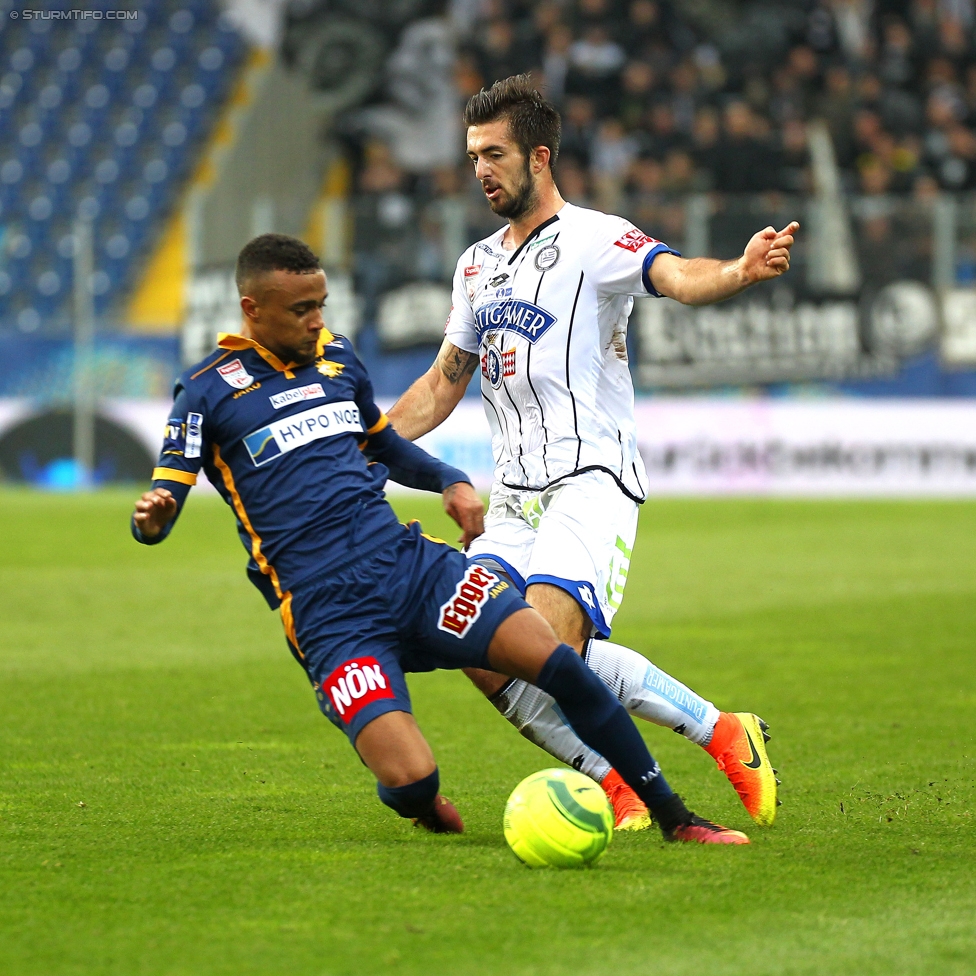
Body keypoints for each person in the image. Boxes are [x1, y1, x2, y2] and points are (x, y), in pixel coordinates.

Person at [131, 233, 749, 845]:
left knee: (557, 660)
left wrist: (449, 480)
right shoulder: (206, 391)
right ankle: (421, 803)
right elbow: (168, 488)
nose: (317, 319)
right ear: (252, 310)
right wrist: (152, 518)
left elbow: (381, 445)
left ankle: (676, 816)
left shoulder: (337, 360)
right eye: (301, 309)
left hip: (407, 566)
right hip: (326, 610)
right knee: (410, 780)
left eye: (321, 304)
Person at [388, 75, 797, 831]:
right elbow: (443, 384)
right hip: (512, 497)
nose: (480, 169)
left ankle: (719, 732)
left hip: (590, 480)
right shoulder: (477, 265)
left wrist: (738, 272)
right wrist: (369, 445)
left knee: (541, 640)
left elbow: (675, 276)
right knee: (471, 641)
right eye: (474, 154)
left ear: (540, 157)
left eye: (495, 153)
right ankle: (614, 780)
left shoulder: (597, 238)